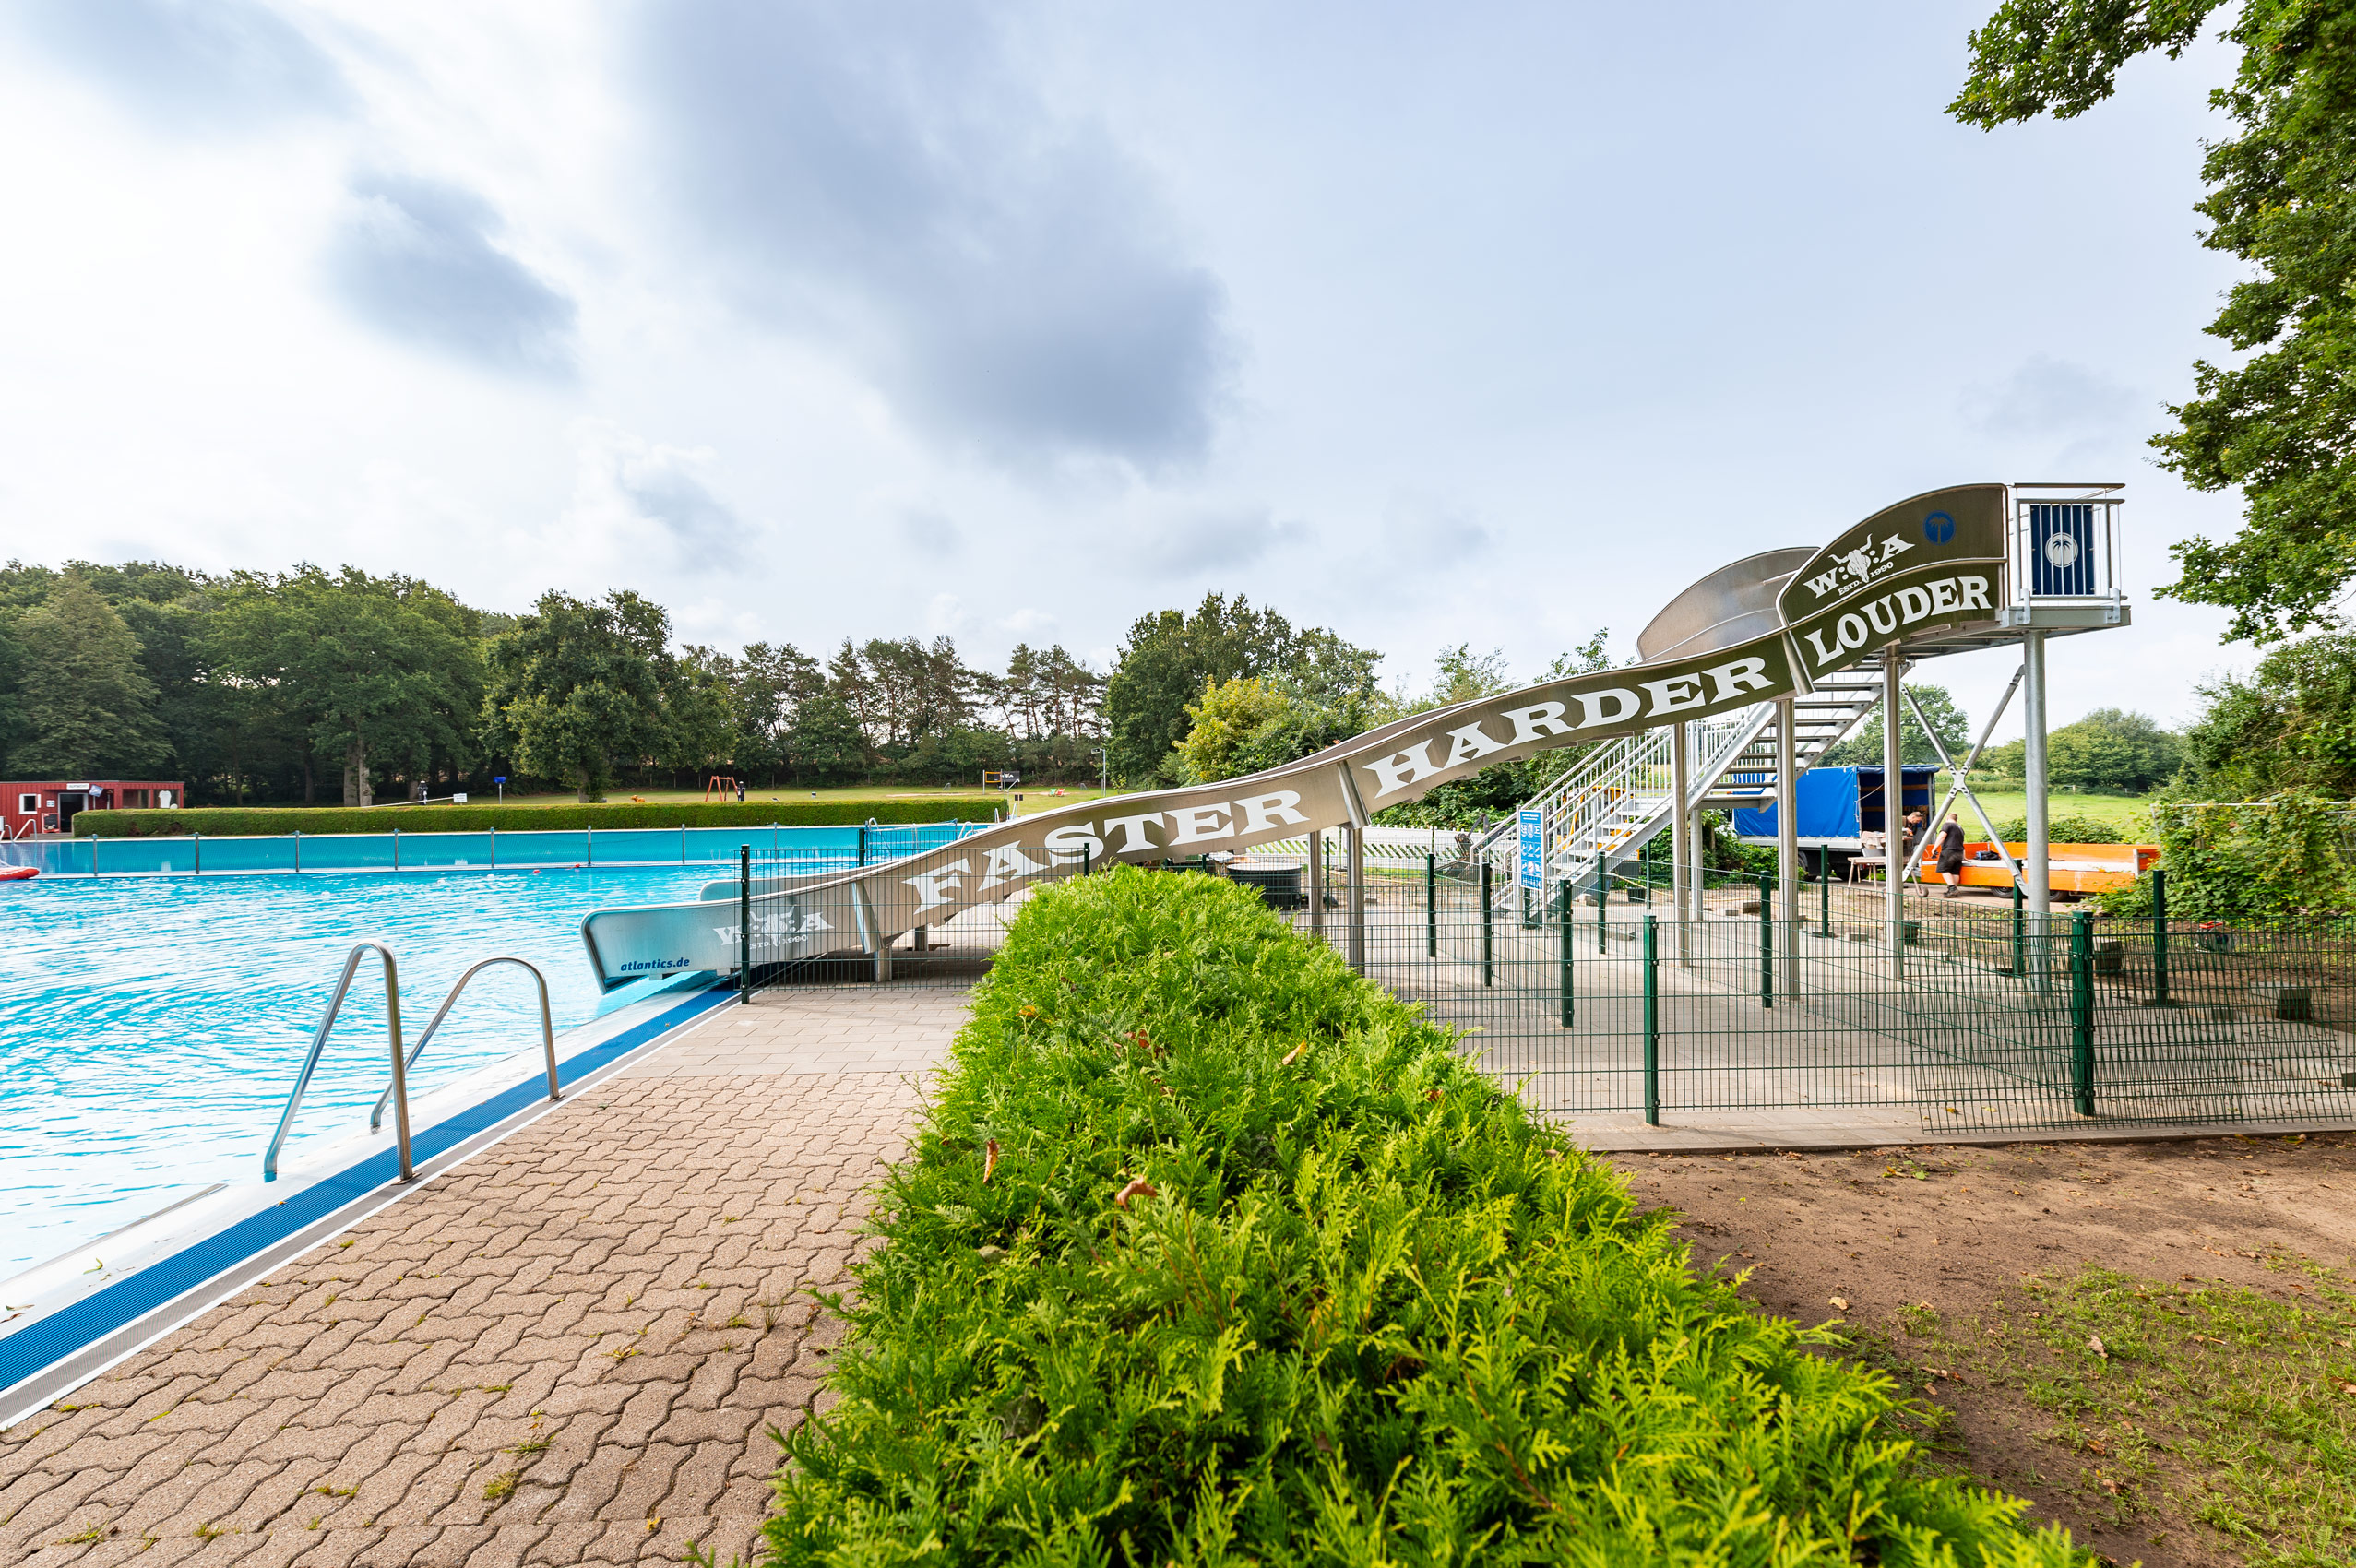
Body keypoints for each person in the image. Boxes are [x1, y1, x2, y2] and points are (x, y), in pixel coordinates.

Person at [1935, 813, 1968, 897]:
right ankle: (1954, 891)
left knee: (1944, 869)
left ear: (1947, 818)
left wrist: (1934, 847)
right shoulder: (1960, 828)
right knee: (1955, 872)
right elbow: (1961, 842)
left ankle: (1952, 889)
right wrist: (1964, 856)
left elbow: (1942, 836)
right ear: (1956, 819)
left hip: (1949, 851)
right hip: (1959, 852)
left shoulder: (1947, 825)